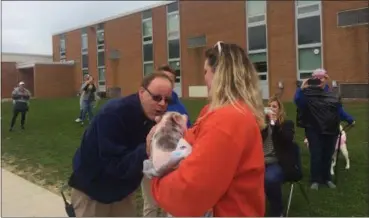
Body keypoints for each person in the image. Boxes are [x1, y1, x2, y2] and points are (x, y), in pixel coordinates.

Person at [148, 41, 266, 216]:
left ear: (219, 74)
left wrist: (157, 177)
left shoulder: (227, 119)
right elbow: (195, 142)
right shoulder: (221, 112)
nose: (204, 78)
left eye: (205, 71)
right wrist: (173, 132)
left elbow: (190, 192)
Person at [68, 72, 173, 217]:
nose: (162, 104)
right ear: (142, 92)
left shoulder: (153, 117)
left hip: (122, 192)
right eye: (156, 98)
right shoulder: (113, 114)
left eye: (167, 100)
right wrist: (147, 148)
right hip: (92, 191)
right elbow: (113, 165)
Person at [140, 64, 191, 217]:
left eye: (170, 80)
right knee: (151, 203)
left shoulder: (179, 106)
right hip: (152, 159)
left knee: (169, 204)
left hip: (174, 163)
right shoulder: (148, 104)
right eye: (164, 78)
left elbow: (187, 131)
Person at [294, 69, 355, 190]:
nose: (319, 80)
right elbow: (298, 102)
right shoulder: (307, 93)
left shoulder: (331, 94)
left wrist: (349, 119)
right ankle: (315, 179)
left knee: (327, 154)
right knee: (316, 154)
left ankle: (327, 178)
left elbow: (338, 111)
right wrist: (302, 88)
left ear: (326, 78)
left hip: (330, 129)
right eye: (316, 78)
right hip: (314, 129)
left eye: (322, 77)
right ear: (312, 79)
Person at [262, 95, 299, 217]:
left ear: (279, 109)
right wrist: (263, 123)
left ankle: (277, 212)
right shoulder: (262, 125)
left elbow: (287, 140)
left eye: (274, 106)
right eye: (269, 106)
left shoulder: (286, 124)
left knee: (270, 179)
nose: (271, 108)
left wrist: (274, 123)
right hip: (259, 162)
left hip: (277, 162)